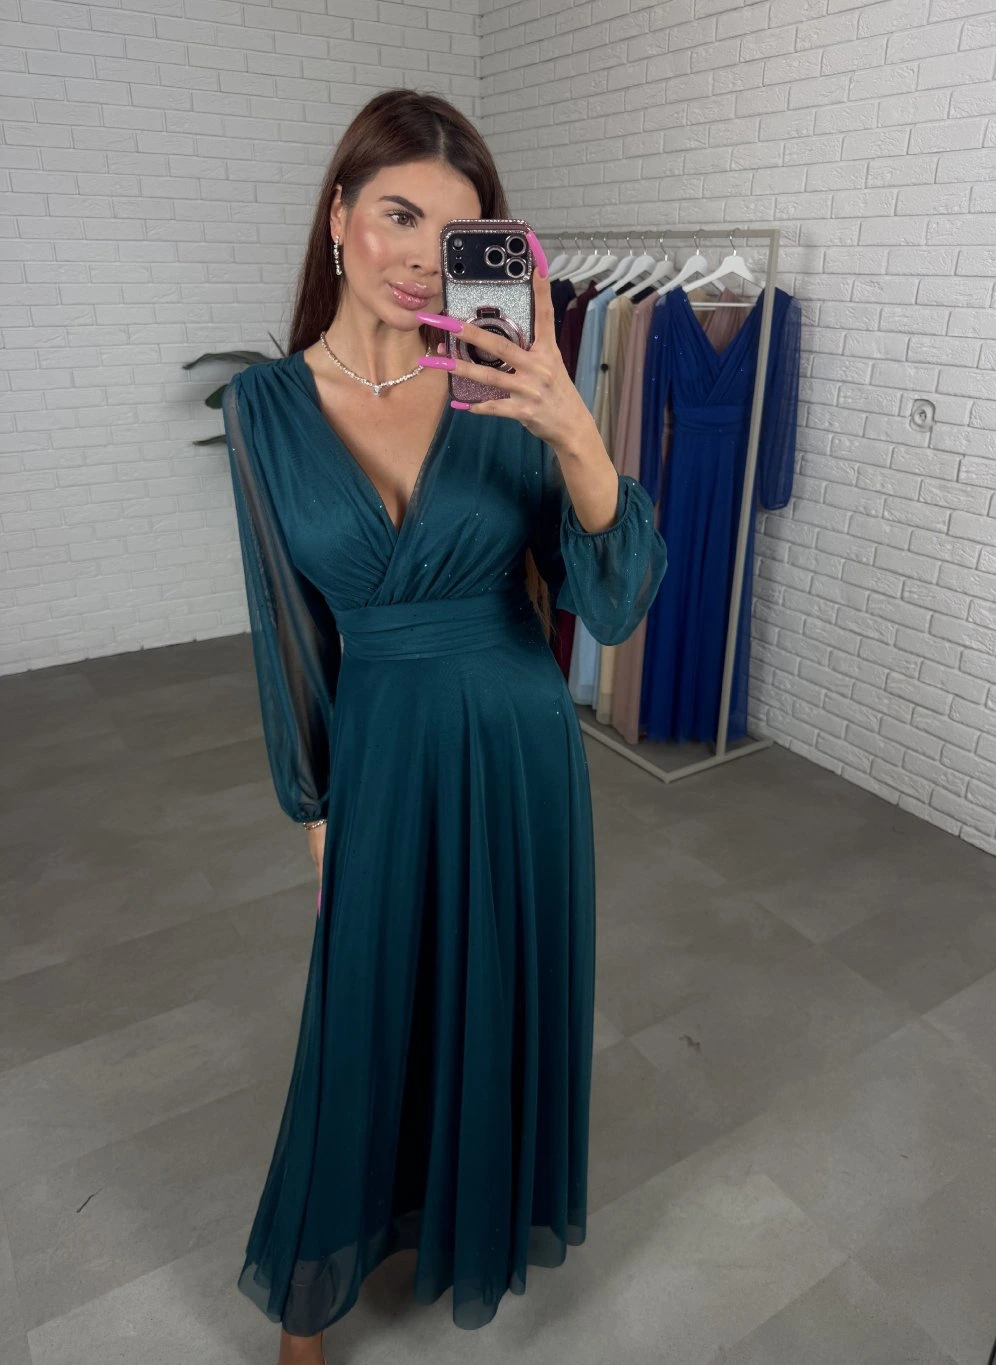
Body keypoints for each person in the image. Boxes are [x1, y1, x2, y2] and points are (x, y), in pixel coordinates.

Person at [221, 87, 668, 1365]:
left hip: (519, 747)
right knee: (359, 1015)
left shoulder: (505, 388)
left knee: (493, 997)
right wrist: (314, 808)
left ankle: (466, 1218)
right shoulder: (264, 408)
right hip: (380, 748)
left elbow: (614, 603)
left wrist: (574, 431)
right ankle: (312, 1295)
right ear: (339, 216)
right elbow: (287, 631)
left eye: (455, 229)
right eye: (398, 213)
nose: (421, 254)